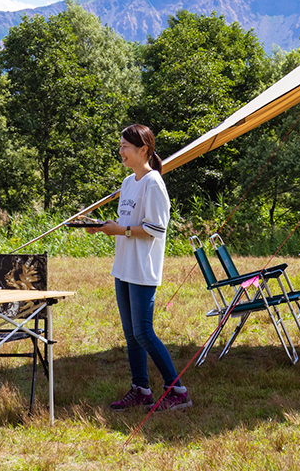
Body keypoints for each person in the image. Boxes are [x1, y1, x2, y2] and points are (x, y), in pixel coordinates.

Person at [87, 124, 192, 411]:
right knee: (131, 334)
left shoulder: (153, 183)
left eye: (125, 146)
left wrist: (119, 231)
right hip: (123, 266)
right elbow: (127, 221)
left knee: (144, 332)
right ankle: (141, 388)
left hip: (143, 268)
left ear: (143, 150)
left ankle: (178, 391)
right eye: (120, 145)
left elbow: (154, 229)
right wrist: (102, 228)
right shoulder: (128, 182)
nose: (120, 151)